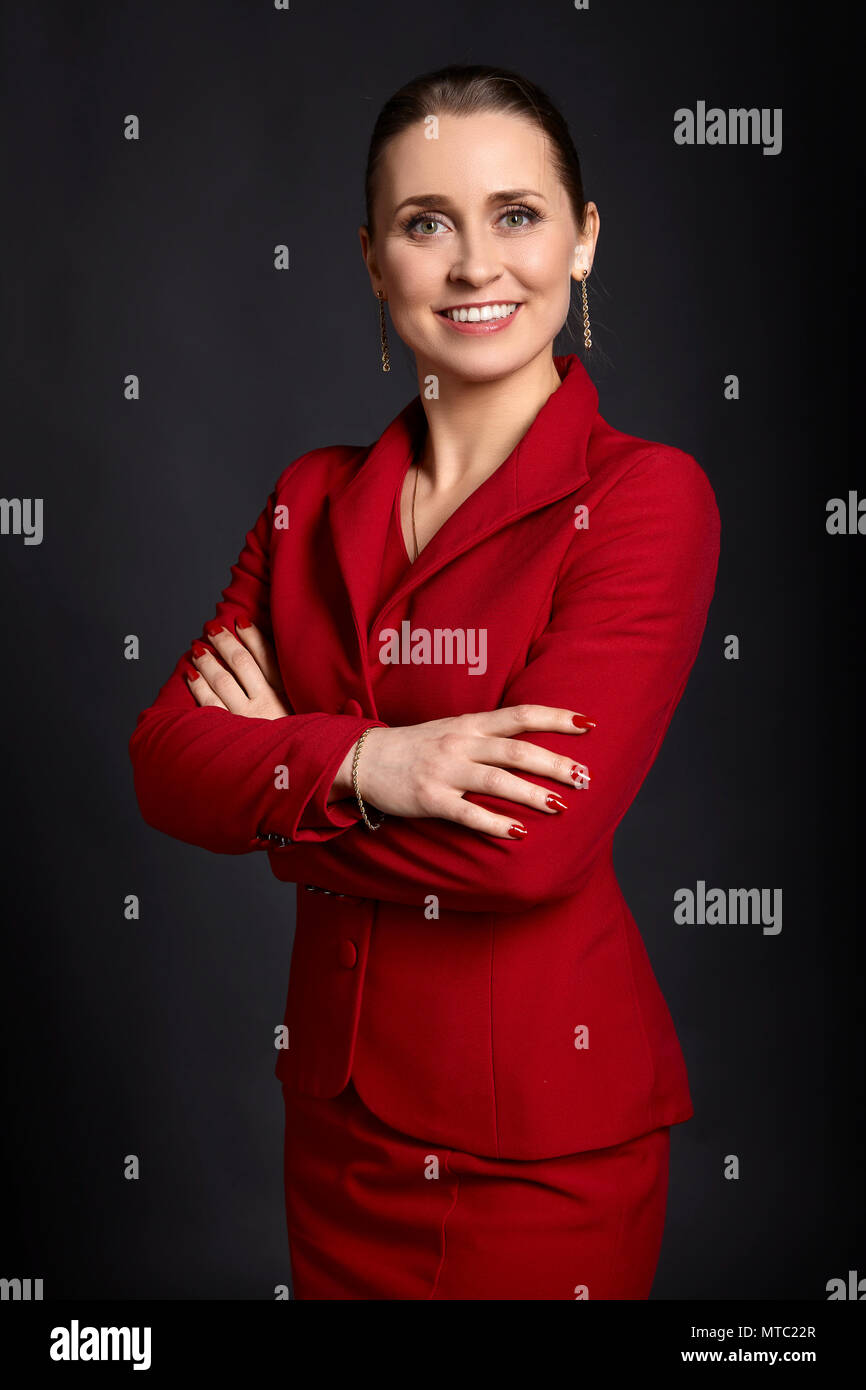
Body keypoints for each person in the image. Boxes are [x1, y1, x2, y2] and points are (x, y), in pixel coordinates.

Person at [129, 63, 721, 1300]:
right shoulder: (308, 498)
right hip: (336, 1137)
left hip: (538, 1153)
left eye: (515, 215)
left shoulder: (642, 498)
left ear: (583, 239)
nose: (473, 266)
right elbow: (162, 763)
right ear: (369, 257)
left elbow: (522, 850)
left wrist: (281, 780)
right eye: (424, 223)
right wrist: (367, 761)